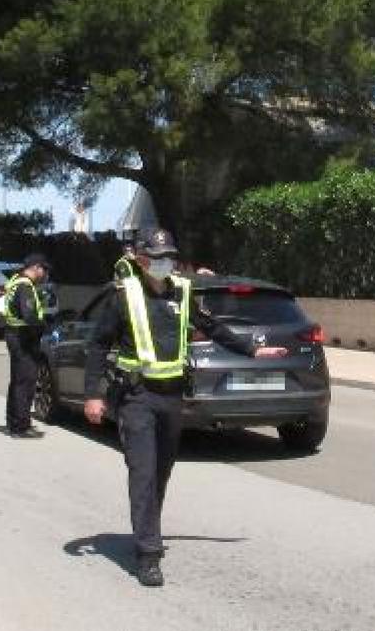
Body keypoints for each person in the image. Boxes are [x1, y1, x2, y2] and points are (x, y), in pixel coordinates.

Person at [82, 228, 287, 587]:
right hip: (137, 397)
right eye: (157, 256)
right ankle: (148, 553)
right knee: (143, 471)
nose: (164, 261)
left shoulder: (182, 291)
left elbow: (211, 326)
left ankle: (149, 528)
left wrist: (253, 351)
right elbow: (98, 345)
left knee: (161, 472)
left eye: (169, 255)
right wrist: (93, 395)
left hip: (173, 396)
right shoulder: (124, 295)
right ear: (140, 259)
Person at [2, 253, 51, 438]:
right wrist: (44, 324)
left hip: (14, 335)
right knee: (26, 382)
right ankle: (21, 426)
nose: (44, 273)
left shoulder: (15, 281)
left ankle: (13, 422)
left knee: (17, 381)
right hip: (24, 338)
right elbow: (29, 315)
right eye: (43, 269)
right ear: (36, 267)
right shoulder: (25, 286)